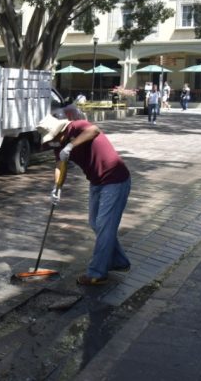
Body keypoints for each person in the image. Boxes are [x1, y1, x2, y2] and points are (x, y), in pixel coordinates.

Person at [36, 115, 132, 286]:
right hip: (96, 182)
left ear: (60, 132)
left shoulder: (77, 126)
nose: (54, 142)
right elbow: (60, 165)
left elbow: (94, 130)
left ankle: (97, 273)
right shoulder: (59, 145)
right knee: (96, 223)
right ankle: (119, 261)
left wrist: (71, 145)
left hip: (116, 179)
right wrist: (56, 188)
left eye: (54, 138)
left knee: (104, 225)